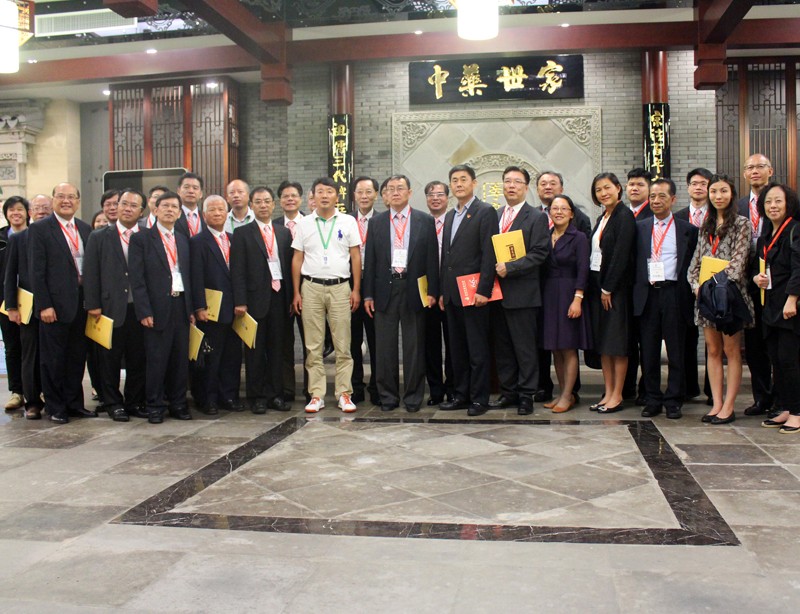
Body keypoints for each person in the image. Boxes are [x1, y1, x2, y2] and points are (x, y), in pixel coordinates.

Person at [363, 174, 439, 412]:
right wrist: (368, 295)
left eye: (400, 188)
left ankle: (414, 397)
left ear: (409, 193)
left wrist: (432, 291)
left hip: (414, 288)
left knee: (414, 346)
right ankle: (388, 396)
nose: (395, 192)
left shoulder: (424, 220)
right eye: (391, 189)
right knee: (384, 347)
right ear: (385, 194)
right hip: (384, 289)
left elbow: (431, 259)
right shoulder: (377, 222)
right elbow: (371, 261)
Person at [291, 177, 361, 413]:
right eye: (319, 191)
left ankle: (344, 393)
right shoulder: (304, 224)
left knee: (343, 343)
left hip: (340, 287)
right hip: (310, 287)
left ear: (336, 196)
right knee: (313, 345)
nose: (324, 195)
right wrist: (296, 292)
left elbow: (355, 256)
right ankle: (316, 394)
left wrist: (356, 289)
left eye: (329, 191)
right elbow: (297, 258)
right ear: (313, 196)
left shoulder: (348, 221)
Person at [687, 174, 754, 425]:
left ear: (732, 193)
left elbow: (738, 264)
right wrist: (696, 286)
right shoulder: (706, 224)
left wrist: (712, 286)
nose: (718, 196)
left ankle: (729, 405)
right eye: (713, 191)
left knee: (731, 351)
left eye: (723, 191)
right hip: (706, 298)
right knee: (712, 350)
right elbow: (694, 264)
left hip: (730, 297)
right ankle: (716, 403)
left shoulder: (742, 223)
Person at [28, 183, 94, 424]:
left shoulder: (85, 229)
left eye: (71, 197)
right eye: (61, 196)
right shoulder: (40, 229)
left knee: (76, 358)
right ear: (54, 200)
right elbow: (36, 271)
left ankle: (74, 404)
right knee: (53, 360)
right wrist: (44, 305)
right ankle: (55, 407)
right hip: (54, 307)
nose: (66, 201)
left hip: (81, 304)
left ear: (78, 201)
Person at [633, 178, 698, 420]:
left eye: (662, 196)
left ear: (673, 199)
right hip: (648, 294)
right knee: (648, 351)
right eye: (652, 196)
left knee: (676, 350)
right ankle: (652, 398)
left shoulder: (687, 230)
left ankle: (673, 399)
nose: (656, 200)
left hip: (675, 294)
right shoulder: (639, 228)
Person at [129, 191, 195, 424]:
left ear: (179, 213)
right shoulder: (141, 239)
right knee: (157, 360)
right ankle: (155, 405)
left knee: (180, 359)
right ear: (155, 210)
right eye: (165, 206)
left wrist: (191, 309)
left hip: (181, 305)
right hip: (156, 308)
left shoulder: (184, 240)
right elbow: (137, 279)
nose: (170, 210)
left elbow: (189, 276)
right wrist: (144, 311)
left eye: (174, 207)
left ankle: (178, 404)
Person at [490, 166, 550, 415]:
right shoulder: (495, 215)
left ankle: (526, 395)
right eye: (507, 181)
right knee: (503, 348)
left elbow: (540, 253)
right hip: (496, 294)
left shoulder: (536, 217)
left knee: (525, 349)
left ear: (526, 187)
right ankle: (509, 392)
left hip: (523, 294)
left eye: (517, 182)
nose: (511, 186)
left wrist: (511, 268)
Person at [438, 164, 498, 416]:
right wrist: (443, 290)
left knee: (477, 350)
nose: (459, 184)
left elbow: (489, 253)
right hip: (453, 294)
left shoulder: (485, 212)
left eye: (464, 179)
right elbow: (446, 257)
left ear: (474, 183)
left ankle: (479, 399)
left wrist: (484, 289)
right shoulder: (450, 215)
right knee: (457, 350)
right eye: (455, 180)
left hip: (474, 293)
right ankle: (460, 395)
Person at [83, 188, 147, 422]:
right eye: (124, 204)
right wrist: (93, 304)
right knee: (109, 358)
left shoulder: (147, 236)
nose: (127, 209)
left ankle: (134, 401)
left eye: (133, 205)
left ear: (141, 211)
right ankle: (112, 402)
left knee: (138, 358)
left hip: (140, 308)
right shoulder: (99, 236)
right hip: (109, 308)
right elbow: (91, 272)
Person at [231, 186, 293, 414]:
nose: (263, 205)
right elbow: (237, 270)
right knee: (255, 352)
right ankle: (256, 397)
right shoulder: (242, 233)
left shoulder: (283, 233)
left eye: (267, 201)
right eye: (258, 202)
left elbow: (288, 267)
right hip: (254, 300)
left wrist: (291, 297)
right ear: (251, 205)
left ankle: (275, 395)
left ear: (274, 204)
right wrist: (240, 301)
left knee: (277, 350)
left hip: (279, 298)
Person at [534, 170, 590, 403]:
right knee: (555, 347)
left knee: (568, 347)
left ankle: (569, 394)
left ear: (571, 213)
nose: (558, 212)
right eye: (554, 209)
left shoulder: (579, 237)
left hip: (569, 294)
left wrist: (578, 298)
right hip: (549, 295)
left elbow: (583, 270)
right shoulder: (545, 235)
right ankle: (561, 393)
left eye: (563, 209)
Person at [586, 172, 636, 414]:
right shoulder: (602, 217)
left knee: (617, 344)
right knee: (604, 345)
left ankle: (617, 395)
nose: (603, 193)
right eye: (598, 190)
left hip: (615, 290)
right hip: (598, 286)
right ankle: (607, 392)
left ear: (618, 188)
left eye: (607, 188)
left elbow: (620, 256)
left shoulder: (624, 216)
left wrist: (608, 287)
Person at [752, 183, 800, 434]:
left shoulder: (795, 230)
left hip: (790, 308)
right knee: (776, 360)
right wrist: (756, 278)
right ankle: (785, 406)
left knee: (790, 360)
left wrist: (792, 298)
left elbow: (798, 267)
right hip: (770, 306)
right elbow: (758, 268)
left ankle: (797, 412)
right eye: (768, 201)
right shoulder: (765, 237)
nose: (773, 206)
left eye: (778, 201)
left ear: (788, 204)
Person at [191, 195, 244, 414]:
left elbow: (240, 274)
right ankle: (208, 399)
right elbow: (195, 276)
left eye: (221, 209)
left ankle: (228, 396)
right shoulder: (197, 242)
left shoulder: (233, 239)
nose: (217, 213)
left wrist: (242, 302)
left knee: (232, 356)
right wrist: (199, 307)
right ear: (204, 215)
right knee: (211, 357)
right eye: (212, 210)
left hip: (235, 309)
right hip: (211, 310)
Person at [4, 194, 50, 419]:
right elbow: (10, 274)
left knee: (54, 354)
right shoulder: (19, 239)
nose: (41, 212)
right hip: (29, 307)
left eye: (46, 208)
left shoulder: (60, 236)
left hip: (57, 305)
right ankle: (32, 401)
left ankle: (53, 397)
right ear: (30, 212)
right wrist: (11, 306)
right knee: (29, 355)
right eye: (37, 208)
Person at [737, 153, 775, 416]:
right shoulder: (739, 205)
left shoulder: (781, 201)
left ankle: (783, 399)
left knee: (778, 344)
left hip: (776, 281)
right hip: (747, 280)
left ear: (770, 171)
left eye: (760, 166)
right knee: (754, 345)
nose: (755, 171)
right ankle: (761, 398)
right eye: (750, 167)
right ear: (744, 174)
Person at [674, 167, 713, 402]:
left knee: (712, 340)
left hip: (711, 284)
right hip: (683, 285)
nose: (698, 187)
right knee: (686, 337)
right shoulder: (677, 217)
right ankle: (688, 387)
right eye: (694, 183)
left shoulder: (717, 216)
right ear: (688, 187)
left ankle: (712, 390)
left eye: (703, 184)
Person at [275, 180, 308, 402]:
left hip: (308, 290)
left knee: (310, 343)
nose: (290, 199)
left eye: (294, 195)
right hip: (280, 293)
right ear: (280, 201)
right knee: (284, 343)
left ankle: (311, 389)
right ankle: (286, 389)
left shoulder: (312, 223)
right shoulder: (273, 225)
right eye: (285, 196)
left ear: (301, 199)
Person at [349, 176, 380, 406]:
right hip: (349, 285)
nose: (364, 196)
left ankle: (377, 386)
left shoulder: (383, 220)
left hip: (376, 286)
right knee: (352, 340)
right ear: (354, 195)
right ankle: (355, 386)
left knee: (376, 340)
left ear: (376, 195)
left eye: (368, 192)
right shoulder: (345, 221)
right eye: (360, 192)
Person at [423, 180, 454, 405]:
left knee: (453, 343)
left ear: (447, 198)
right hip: (427, 293)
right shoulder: (421, 223)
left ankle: (453, 388)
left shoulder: (454, 221)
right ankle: (435, 390)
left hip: (451, 291)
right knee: (430, 344)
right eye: (431, 195)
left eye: (440, 194)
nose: (435, 198)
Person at [0, 196, 28, 412]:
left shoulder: (35, 235)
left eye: (20, 209)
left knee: (34, 348)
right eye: (11, 210)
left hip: (32, 300)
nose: (16, 213)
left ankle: (37, 389)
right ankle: (17, 391)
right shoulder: (1, 238)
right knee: (12, 347)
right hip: (5, 301)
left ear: (27, 212)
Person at [175, 172, 206, 238]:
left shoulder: (206, 217)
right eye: (186, 187)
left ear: (201, 194)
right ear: (178, 191)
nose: (191, 191)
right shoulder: (173, 215)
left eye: (195, 188)